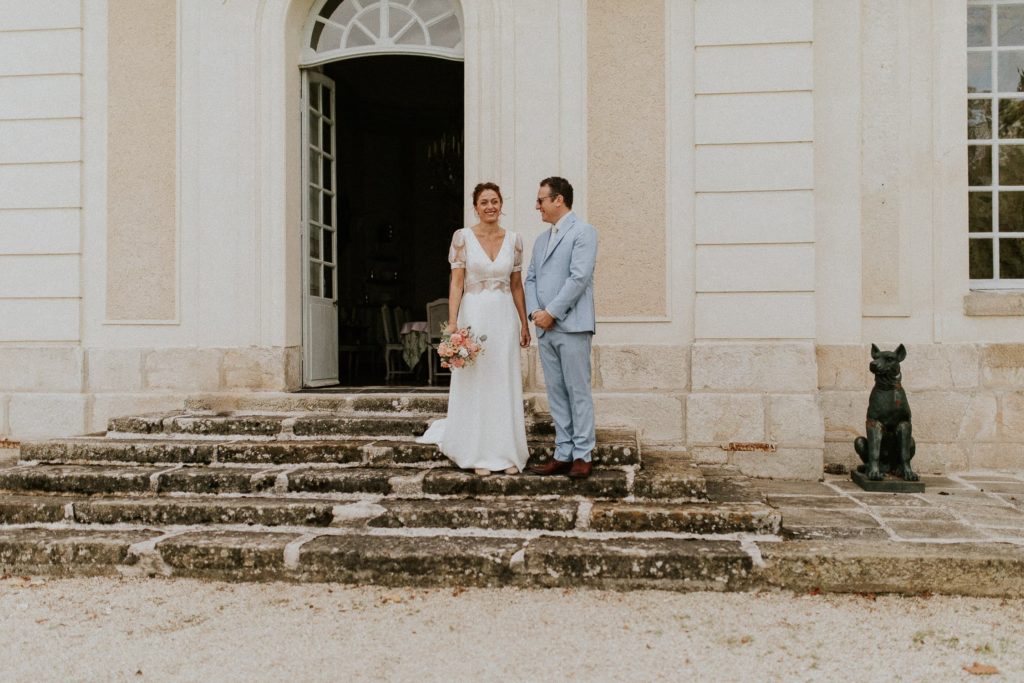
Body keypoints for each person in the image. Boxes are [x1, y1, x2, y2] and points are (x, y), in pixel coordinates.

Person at [417, 182, 531, 475]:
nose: (490, 207)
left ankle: (506, 452)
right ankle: (477, 450)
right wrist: (453, 323)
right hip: (475, 314)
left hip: (504, 315)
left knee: (503, 378)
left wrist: (523, 322)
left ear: (501, 204)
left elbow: (517, 286)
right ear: (476, 207)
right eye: (484, 202)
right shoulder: (463, 238)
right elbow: (457, 282)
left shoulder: (514, 240)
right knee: (477, 379)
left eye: (494, 201)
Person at [524, 177, 598, 479]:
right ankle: (563, 452)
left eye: (541, 199)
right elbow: (530, 278)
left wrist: (552, 312)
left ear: (559, 200)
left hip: (572, 326)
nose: (537, 205)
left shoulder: (584, 232)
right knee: (556, 392)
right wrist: (534, 313)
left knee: (577, 390)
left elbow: (578, 278)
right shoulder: (541, 240)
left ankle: (583, 454)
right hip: (544, 328)